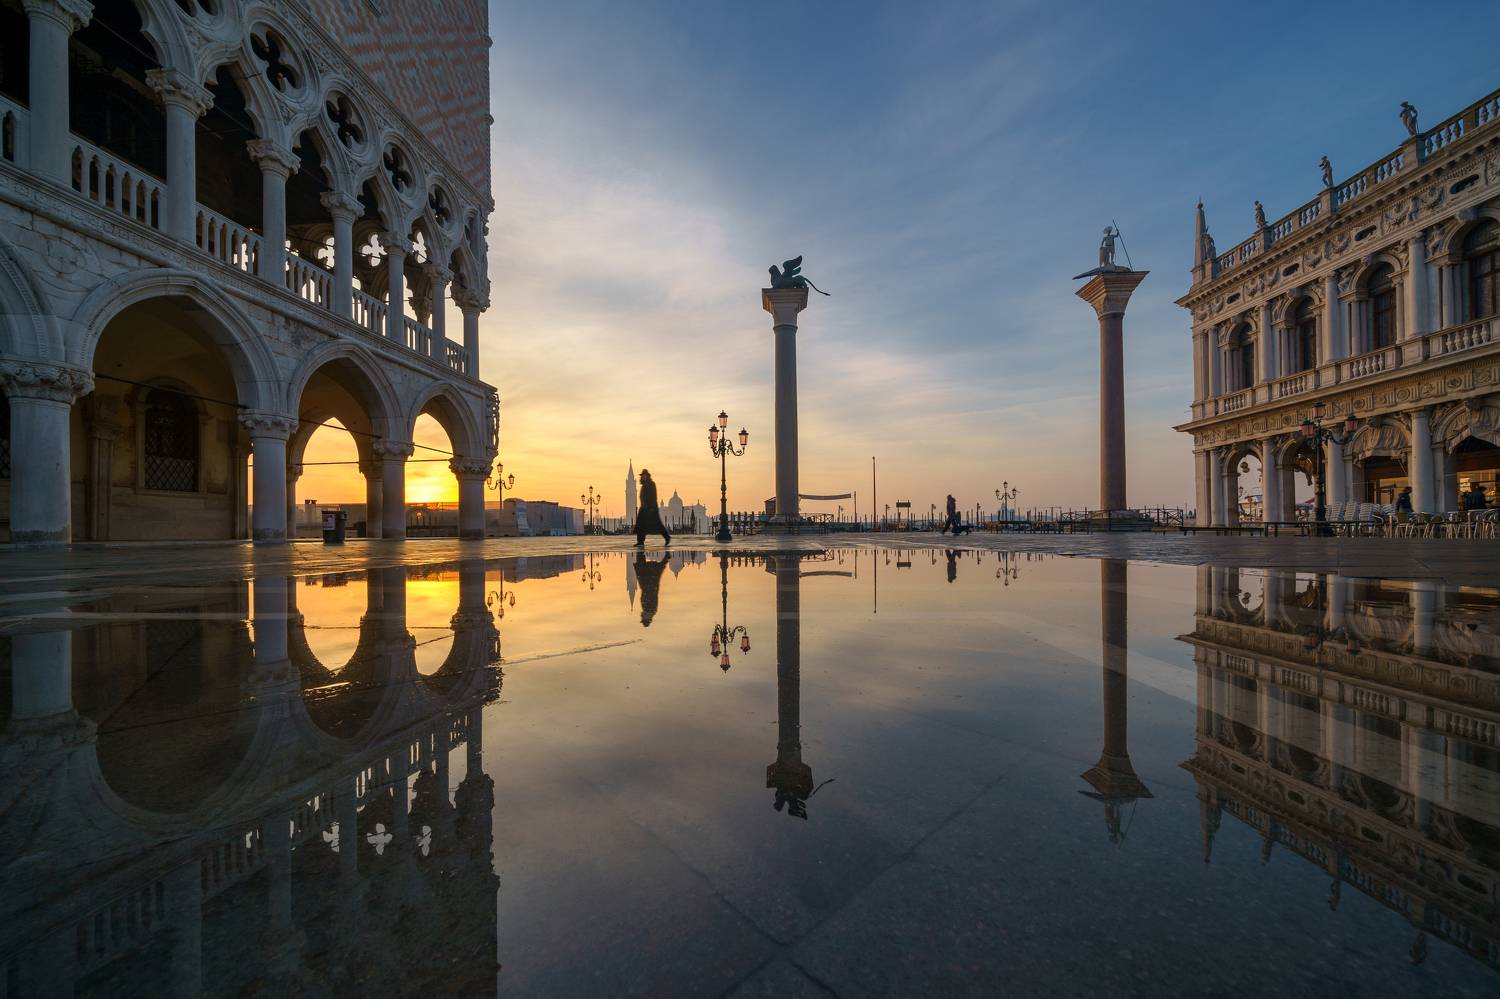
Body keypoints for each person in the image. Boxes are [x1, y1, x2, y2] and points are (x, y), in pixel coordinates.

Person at [634, 468, 671, 547]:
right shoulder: (644, 485)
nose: (643, 477)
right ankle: (640, 541)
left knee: (657, 524)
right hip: (644, 509)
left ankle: (667, 537)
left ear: (647, 476)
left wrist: (651, 507)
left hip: (651, 508)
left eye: (644, 476)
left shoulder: (651, 484)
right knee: (641, 525)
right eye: (642, 476)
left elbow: (653, 496)